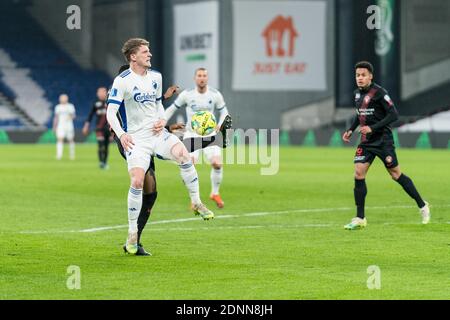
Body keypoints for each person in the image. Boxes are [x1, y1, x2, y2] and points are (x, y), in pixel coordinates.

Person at [106, 38, 214, 255]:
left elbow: (156, 106)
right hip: (136, 139)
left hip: (157, 134)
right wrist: (122, 134)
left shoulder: (156, 77)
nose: (150, 55)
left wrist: (162, 121)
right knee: (137, 181)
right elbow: (110, 112)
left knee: (184, 155)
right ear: (133, 56)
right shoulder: (122, 80)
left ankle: (197, 202)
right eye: (146, 52)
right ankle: (132, 234)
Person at [342, 61, 430, 230]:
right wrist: (351, 130)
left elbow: (394, 115)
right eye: (357, 75)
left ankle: (422, 205)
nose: (359, 78)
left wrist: (372, 128)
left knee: (396, 174)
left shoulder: (380, 93)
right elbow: (359, 115)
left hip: (383, 141)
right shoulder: (357, 95)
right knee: (358, 173)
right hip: (366, 142)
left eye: (363, 75)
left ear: (370, 76)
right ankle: (360, 218)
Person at [165, 68, 230, 208]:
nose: (202, 78)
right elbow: (172, 108)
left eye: (204, 76)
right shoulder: (187, 94)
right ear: (195, 78)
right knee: (189, 165)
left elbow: (224, 111)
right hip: (192, 134)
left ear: (207, 78)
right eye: (199, 76)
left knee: (217, 164)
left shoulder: (215, 94)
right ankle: (194, 200)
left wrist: (220, 124)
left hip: (210, 134)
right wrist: (162, 122)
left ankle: (215, 193)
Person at [82, 87, 111, 169]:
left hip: (108, 128)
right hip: (99, 128)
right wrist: (86, 126)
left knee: (106, 146)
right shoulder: (96, 103)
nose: (101, 94)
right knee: (100, 145)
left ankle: (105, 162)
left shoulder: (110, 102)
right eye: (99, 92)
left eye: (102, 92)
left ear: (106, 93)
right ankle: (101, 162)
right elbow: (90, 115)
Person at [53, 94, 76, 160]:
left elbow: (73, 115)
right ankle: (59, 155)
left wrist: (70, 117)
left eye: (64, 98)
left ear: (67, 99)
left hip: (69, 126)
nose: (63, 99)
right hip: (60, 126)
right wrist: (54, 126)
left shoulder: (70, 106)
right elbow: (56, 117)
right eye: (61, 98)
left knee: (70, 140)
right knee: (60, 139)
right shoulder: (58, 107)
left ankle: (72, 155)